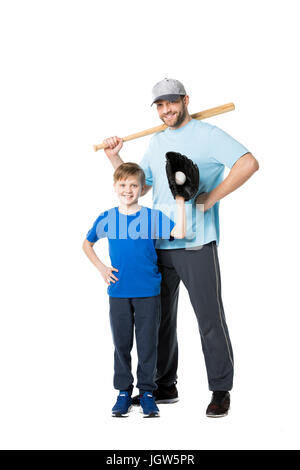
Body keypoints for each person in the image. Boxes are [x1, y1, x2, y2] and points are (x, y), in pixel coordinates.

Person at [102, 78, 259, 417]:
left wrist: (209, 199)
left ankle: (220, 389)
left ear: (185, 100)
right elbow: (139, 187)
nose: (166, 110)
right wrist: (116, 158)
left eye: (171, 102)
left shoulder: (210, 135)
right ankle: (164, 384)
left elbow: (248, 163)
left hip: (196, 243)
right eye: (159, 105)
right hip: (157, 244)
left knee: (209, 317)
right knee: (159, 318)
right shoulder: (157, 141)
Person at [82, 162, 186, 417]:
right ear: (115, 186)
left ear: (141, 188)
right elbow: (86, 244)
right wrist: (103, 269)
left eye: (133, 185)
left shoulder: (152, 217)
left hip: (149, 291)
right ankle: (123, 392)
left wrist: (181, 199)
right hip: (118, 292)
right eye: (123, 185)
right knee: (122, 344)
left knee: (148, 343)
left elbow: (181, 232)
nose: (128, 190)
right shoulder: (107, 217)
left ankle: (148, 392)